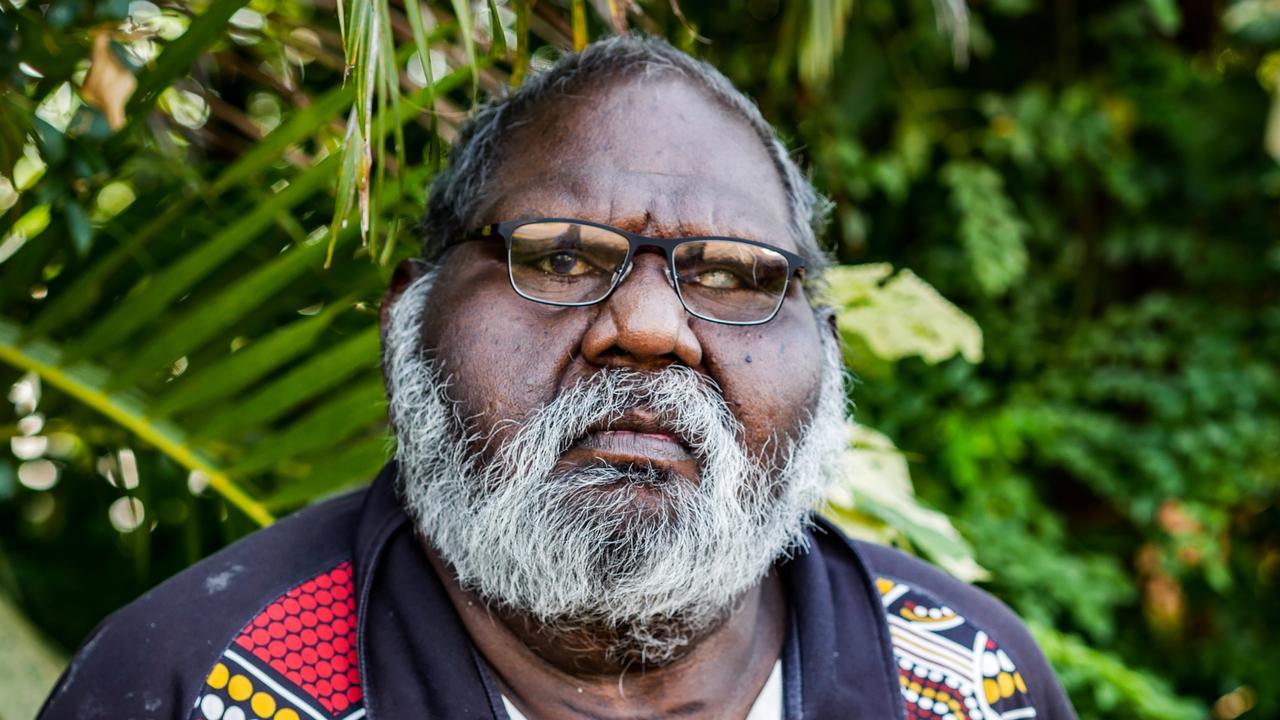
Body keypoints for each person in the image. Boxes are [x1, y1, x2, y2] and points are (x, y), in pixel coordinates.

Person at [39, 36, 1076, 720]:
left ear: (828, 353)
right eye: (561, 258)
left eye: (732, 275)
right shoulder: (194, 686)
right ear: (409, 315)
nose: (649, 328)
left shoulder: (966, 687)